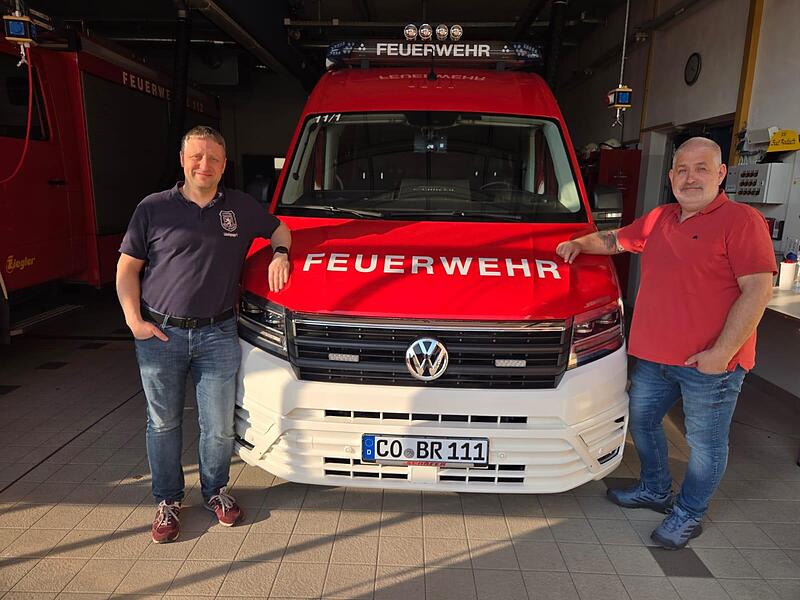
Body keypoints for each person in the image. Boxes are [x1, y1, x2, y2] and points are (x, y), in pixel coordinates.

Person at [556, 137, 775, 550]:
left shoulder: (742, 221)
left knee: (705, 445)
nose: (691, 178)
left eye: (702, 168)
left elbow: (758, 291)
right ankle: (655, 490)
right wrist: (579, 244)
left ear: (721, 173)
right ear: (671, 175)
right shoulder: (661, 218)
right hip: (655, 359)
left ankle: (689, 513)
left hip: (710, 365)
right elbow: (615, 241)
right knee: (642, 423)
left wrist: (721, 354)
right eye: (683, 170)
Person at [116, 125, 292, 543]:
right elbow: (127, 268)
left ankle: (216, 491)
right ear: (182, 160)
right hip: (161, 334)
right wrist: (134, 321)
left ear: (224, 164)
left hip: (218, 334)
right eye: (196, 156)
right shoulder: (153, 208)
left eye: (213, 158)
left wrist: (280, 254)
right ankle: (168, 500)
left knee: (218, 425)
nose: (204, 165)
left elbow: (279, 229)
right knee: (163, 423)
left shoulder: (240, 207)